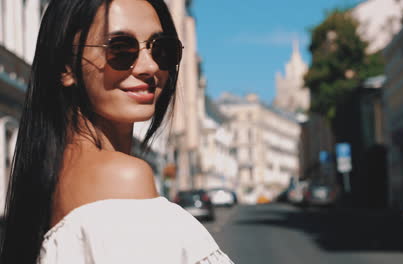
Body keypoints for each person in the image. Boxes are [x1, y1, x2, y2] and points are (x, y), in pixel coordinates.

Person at [0, 0, 234, 263]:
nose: (151, 67)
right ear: (67, 66)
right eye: (121, 49)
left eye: (161, 49)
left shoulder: (50, 173)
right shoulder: (125, 178)